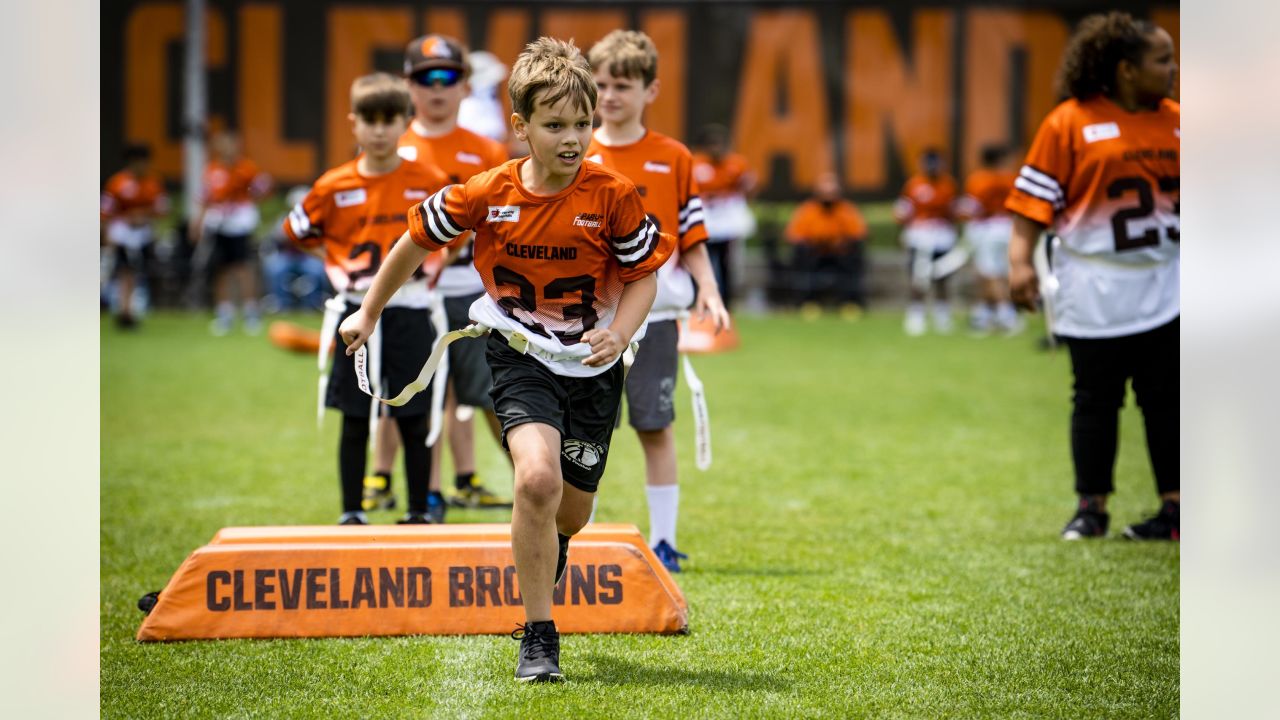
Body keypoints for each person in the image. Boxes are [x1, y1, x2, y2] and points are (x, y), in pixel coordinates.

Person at [338, 37, 674, 682]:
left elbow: (643, 276)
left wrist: (621, 332)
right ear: (521, 128)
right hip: (520, 353)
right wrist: (370, 310)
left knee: (570, 510)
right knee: (535, 481)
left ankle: (554, 541)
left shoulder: (614, 195)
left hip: (594, 366)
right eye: (555, 125)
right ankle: (540, 634)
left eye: (583, 124)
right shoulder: (484, 191)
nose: (573, 138)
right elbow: (413, 242)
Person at [1006, 11, 1179, 541]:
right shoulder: (1069, 122)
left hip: (1170, 281)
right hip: (1095, 282)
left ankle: (1176, 509)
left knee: (1168, 397)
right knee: (1095, 398)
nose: (1172, 69)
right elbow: (1032, 204)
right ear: (1125, 69)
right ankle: (1091, 508)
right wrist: (1019, 263)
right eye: (1162, 59)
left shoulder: (1178, 118)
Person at [585, 30, 730, 572]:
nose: (610, 95)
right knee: (584, 433)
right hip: (589, 315)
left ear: (652, 90)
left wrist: (710, 291)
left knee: (654, 425)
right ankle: (581, 536)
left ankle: (664, 541)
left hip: (659, 314)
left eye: (623, 84)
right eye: (600, 84)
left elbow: (691, 235)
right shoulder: (579, 150)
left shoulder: (673, 156)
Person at [283, 72, 450, 526]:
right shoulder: (333, 185)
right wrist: (334, 258)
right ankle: (352, 511)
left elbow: (454, 236)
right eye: (370, 120)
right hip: (355, 311)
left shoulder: (429, 179)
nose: (379, 130)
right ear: (353, 123)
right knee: (356, 417)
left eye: (389, 119)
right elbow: (297, 230)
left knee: (415, 413)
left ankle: (420, 510)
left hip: (413, 309)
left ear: (406, 121)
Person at [360, 34, 513, 522]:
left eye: (449, 76)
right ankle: (420, 493)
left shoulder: (487, 149)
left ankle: (539, 488)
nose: (438, 88)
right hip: (407, 294)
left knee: (491, 394)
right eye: (426, 77)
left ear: (466, 85)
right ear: (408, 85)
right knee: (411, 395)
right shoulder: (392, 144)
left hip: (473, 290)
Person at [192, 130, 272, 335]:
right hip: (219, 223)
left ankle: (250, 312)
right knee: (221, 268)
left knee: (243, 267)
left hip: (240, 224)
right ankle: (224, 313)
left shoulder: (247, 168)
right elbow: (204, 198)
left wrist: (250, 195)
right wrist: (198, 223)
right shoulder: (212, 170)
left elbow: (262, 190)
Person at [101, 144, 168, 329]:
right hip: (122, 234)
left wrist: (144, 216)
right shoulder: (118, 183)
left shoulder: (154, 183)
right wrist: (108, 234)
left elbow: (162, 209)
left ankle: (131, 309)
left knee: (137, 272)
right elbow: (106, 211)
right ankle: (123, 310)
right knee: (123, 272)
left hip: (143, 234)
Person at [783, 171, 868, 317]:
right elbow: (793, 235)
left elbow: (859, 234)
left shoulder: (846, 210)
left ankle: (850, 302)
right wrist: (815, 244)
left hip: (841, 253)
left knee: (854, 257)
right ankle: (808, 302)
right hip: (814, 254)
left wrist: (841, 244)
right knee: (801, 256)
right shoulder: (807, 210)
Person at [894, 147, 959, 335]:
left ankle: (942, 315)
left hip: (942, 236)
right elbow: (903, 211)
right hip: (919, 236)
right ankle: (916, 315)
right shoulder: (914, 184)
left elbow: (953, 212)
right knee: (918, 276)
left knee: (942, 276)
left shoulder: (948, 184)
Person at [957, 145, 1021, 335]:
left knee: (988, 273)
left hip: (986, 229)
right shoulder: (1012, 178)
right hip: (1008, 227)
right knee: (1001, 272)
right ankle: (984, 314)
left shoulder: (979, 179)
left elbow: (972, 208)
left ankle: (1005, 313)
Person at [691, 124, 756, 310]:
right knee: (701, 259)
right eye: (712, 145)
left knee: (727, 261)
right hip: (705, 216)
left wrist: (747, 187)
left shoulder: (736, 164)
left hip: (726, 218)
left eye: (719, 145)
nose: (716, 150)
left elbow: (748, 188)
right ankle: (700, 299)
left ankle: (726, 301)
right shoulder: (697, 164)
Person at [260, 185, 331, 312]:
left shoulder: (316, 220)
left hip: (308, 257)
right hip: (287, 256)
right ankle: (281, 303)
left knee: (316, 270)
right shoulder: (284, 220)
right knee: (276, 269)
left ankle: (313, 302)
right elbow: (276, 238)